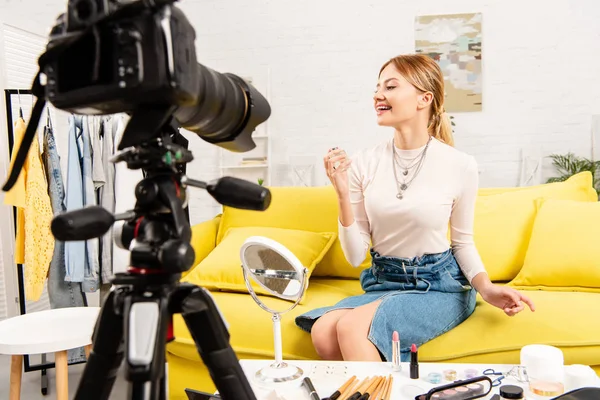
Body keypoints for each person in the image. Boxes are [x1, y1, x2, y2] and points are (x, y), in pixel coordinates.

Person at [294, 54, 536, 363]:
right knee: (324, 330)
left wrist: (487, 289)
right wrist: (341, 192)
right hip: (384, 281)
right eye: (377, 87)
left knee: (353, 327)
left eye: (391, 86)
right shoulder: (364, 163)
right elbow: (356, 256)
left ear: (424, 98)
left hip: (439, 286)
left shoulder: (460, 165)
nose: (378, 95)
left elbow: (462, 242)